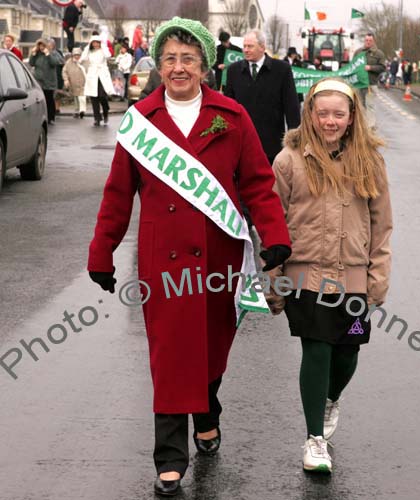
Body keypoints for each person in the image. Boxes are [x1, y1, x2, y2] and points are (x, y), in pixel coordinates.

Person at [87, 16, 291, 497]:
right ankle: (170, 456)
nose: (179, 68)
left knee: (212, 346)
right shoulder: (140, 123)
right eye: (170, 59)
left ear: (205, 65)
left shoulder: (232, 117)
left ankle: (208, 409)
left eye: (188, 59)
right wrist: (102, 251)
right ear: (158, 65)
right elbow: (118, 194)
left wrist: (274, 236)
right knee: (171, 352)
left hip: (220, 257)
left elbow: (259, 184)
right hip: (165, 260)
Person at [266, 77, 392, 473]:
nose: (330, 121)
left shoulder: (369, 161)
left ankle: (330, 397)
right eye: (323, 113)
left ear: (353, 117)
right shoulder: (289, 160)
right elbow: (272, 222)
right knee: (317, 347)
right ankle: (314, 439)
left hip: (354, 276)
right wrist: (274, 278)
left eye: (339, 114)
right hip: (305, 274)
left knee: (348, 352)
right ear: (310, 114)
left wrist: (378, 276)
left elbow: (382, 223)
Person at [224, 29, 300, 164]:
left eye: (250, 46)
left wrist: (295, 137)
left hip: (272, 142)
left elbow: (291, 105)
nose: (246, 50)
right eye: (244, 46)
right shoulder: (233, 71)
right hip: (242, 140)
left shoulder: (282, 69)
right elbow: (228, 105)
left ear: (262, 47)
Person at [80, 35, 114, 126]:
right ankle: (97, 118)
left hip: (102, 74)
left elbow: (108, 55)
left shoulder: (103, 50)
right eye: (93, 43)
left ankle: (106, 111)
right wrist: (87, 47)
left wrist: (103, 46)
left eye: (97, 42)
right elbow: (83, 58)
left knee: (102, 96)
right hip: (92, 75)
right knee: (94, 97)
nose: (95, 44)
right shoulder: (89, 51)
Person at [353, 33, 385, 128]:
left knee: (369, 105)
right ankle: (361, 126)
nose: (368, 42)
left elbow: (382, 67)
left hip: (371, 84)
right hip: (359, 84)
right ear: (364, 41)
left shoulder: (379, 53)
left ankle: (370, 127)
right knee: (359, 105)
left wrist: (370, 67)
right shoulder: (358, 52)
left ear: (373, 41)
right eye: (366, 40)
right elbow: (352, 65)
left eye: (370, 40)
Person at [29, 38, 62, 124]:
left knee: (49, 100)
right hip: (39, 81)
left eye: (43, 45)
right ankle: (40, 117)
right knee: (39, 100)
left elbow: (55, 63)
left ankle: (51, 117)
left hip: (49, 81)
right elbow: (31, 63)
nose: (41, 47)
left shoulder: (52, 53)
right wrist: (33, 54)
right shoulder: (37, 54)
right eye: (40, 45)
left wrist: (48, 54)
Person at [62, 47, 87, 118]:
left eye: (78, 55)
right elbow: (64, 71)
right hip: (73, 83)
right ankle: (77, 110)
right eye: (75, 55)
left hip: (83, 83)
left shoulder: (83, 61)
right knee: (76, 97)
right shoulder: (69, 62)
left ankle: (82, 111)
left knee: (82, 97)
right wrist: (66, 79)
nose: (77, 56)